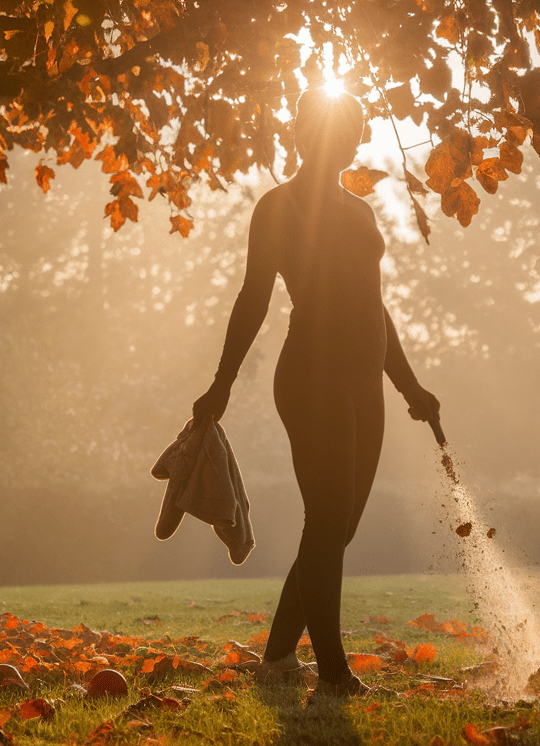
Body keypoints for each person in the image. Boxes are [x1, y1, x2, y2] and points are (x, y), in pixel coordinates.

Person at [191, 87, 440, 699]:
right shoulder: (277, 208)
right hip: (311, 376)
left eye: (352, 131)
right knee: (327, 518)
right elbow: (254, 300)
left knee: (339, 526)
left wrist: (410, 386)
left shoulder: (360, 211)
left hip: (366, 379)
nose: (343, 141)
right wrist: (220, 384)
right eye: (330, 129)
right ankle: (332, 673)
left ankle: (277, 658)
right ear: (301, 134)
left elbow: (377, 309)